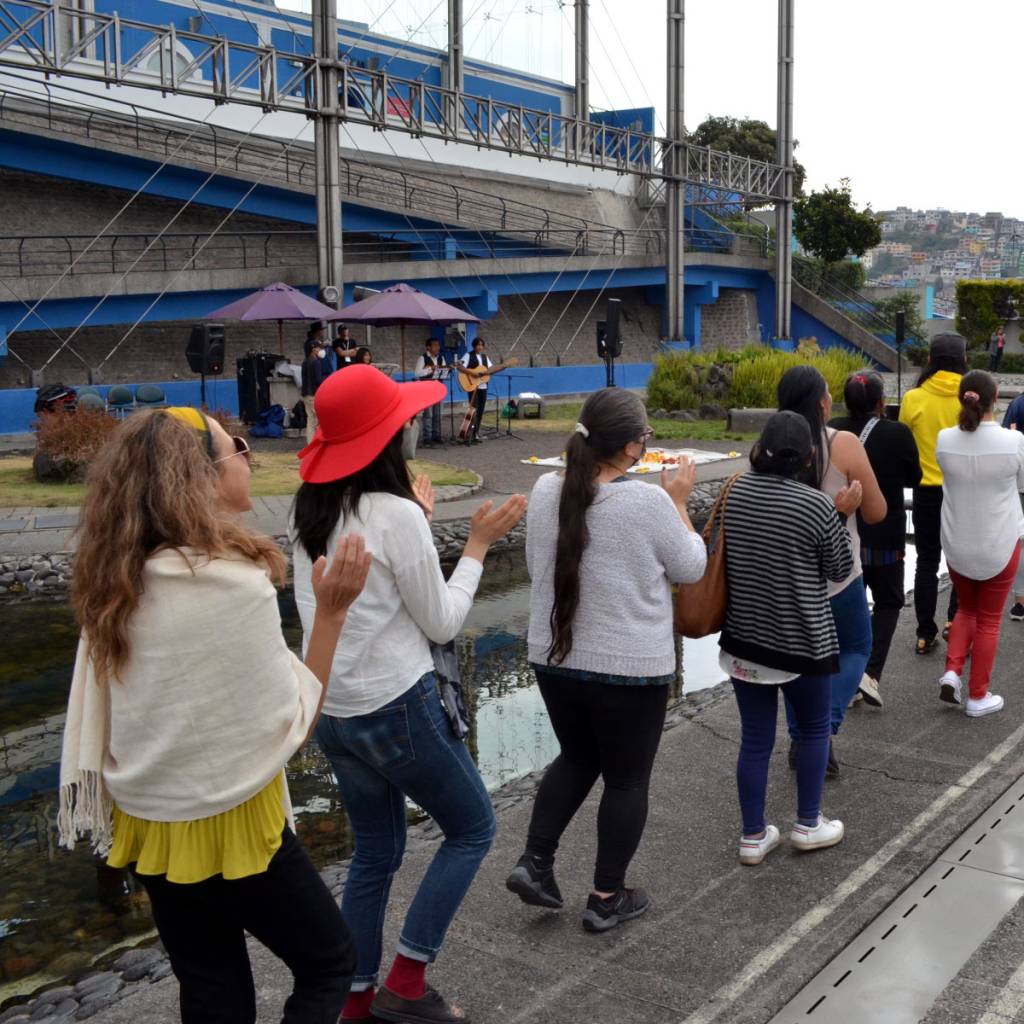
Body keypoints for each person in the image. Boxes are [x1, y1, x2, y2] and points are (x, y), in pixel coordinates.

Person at [59, 407, 372, 1024]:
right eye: (239, 447)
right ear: (199, 475)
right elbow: (293, 727)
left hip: (151, 822)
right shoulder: (232, 584)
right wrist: (332, 613)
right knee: (330, 962)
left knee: (212, 988)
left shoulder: (112, 583)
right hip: (236, 819)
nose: (248, 458)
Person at [290, 365, 527, 1024]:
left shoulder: (307, 507)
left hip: (334, 711)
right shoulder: (393, 513)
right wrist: (476, 544)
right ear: (389, 434)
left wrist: (418, 523)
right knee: (474, 827)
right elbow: (444, 623)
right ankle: (407, 979)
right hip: (396, 706)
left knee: (375, 855)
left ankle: (356, 999)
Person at [506, 389, 707, 932]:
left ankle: (536, 862)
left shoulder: (547, 489)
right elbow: (690, 567)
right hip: (628, 666)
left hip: (554, 655)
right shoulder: (648, 502)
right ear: (630, 448)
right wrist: (682, 503)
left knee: (576, 756)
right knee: (626, 780)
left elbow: (533, 563)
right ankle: (605, 896)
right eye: (645, 438)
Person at [720, 412, 854, 865]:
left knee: (755, 740)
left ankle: (753, 837)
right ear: (810, 457)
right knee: (814, 730)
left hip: (744, 640)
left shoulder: (735, 491)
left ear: (760, 448)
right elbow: (839, 569)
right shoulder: (815, 504)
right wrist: (842, 515)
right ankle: (807, 824)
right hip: (802, 643)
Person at [778, 366, 886, 773]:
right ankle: (818, 733)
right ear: (823, 403)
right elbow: (876, 513)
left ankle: (802, 736)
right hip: (839, 575)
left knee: (797, 662)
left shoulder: (765, 446)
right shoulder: (843, 444)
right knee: (856, 648)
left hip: (786, 576)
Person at [830, 371, 922, 706]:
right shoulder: (897, 433)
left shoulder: (831, 431)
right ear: (882, 403)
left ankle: (842, 671)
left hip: (838, 535)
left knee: (841, 602)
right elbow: (915, 476)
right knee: (888, 602)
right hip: (884, 535)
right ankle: (868, 674)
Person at [936, 370, 1024, 717]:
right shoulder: (1013, 442)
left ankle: (952, 671)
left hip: (957, 541)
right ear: (996, 397)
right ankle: (978, 695)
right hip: (999, 543)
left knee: (965, 610)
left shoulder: (944, 438)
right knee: (989, 620)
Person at [899, 333, 967, 653]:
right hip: (963, 492)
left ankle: (925, 632)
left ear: (930, 361)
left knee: (926, 561)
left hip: (925, 491)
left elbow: (904, 446)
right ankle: (956, 621)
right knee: (961, 562)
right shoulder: (971, 398)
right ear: (963, 362)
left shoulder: (914, 398)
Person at [1001, 394, 1024, 622]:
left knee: (1021, 542)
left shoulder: (1019, 403)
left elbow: (1005, 439)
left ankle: (1020, 603)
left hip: (1021, 481)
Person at [459, 337, 493, 444]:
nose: (480, 347)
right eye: (478, 345)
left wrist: (502, 366)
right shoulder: (468, 355)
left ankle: (476, 433)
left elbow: (491, 368)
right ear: (474, 346)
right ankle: (468, 433)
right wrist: (473, 373)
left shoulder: (484, 357)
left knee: (481, 410)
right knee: (473, 410)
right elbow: (460, 367)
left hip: (483, 386)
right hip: (472, 386)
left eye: (482, 345)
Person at [415, 338, 447, 448]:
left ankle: (436, 435)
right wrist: (430, 369)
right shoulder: (422, 358)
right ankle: (427, 437)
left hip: (438, 388)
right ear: (428, 347)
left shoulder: (441, 358)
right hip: (427, 389)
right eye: (435, 345)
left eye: (438, 345)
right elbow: (417, 373)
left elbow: (444, 370)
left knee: (438, 413)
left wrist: (447, 369)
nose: (437, 348)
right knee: (428, 414)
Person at [301, 340, 327, 444]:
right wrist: (327, 378)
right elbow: (318, 380)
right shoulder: (316, 362)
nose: (321, 350)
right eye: (319, 348)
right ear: (314, 349)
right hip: (314, 394)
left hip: (306, 394)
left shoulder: (305, 361)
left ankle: (310, 443)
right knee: (319, 420)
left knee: (310, 421)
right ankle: (319, 443)